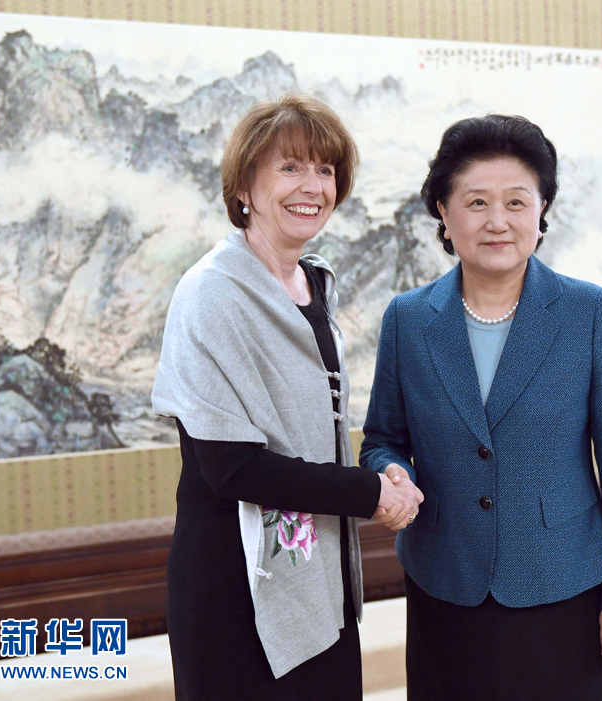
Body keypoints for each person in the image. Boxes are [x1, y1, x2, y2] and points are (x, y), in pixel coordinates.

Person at [360, 114, 602, 700]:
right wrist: (391, 471)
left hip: (561, 583)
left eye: (517, 202)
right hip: (445, 583)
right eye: (476, 202)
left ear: (540, 213)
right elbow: (382, 439)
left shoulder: (588, 312)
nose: (498, 221)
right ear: (444, 212)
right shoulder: (409, 320)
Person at [152, 95, 423, 700]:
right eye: (291, 167)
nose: (313, 186)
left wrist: (383, 475)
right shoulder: (211, 293)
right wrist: (370, 493)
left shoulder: (314, 282)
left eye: (325, 170)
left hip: (320, 575)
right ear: (244, 186)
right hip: (234, 585)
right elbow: (232, 467)